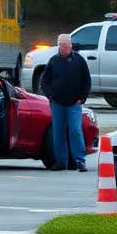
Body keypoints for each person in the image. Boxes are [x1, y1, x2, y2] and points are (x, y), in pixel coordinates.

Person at [40, 34, 91, 172]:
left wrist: (82, 98)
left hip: (74, 103)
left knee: (75, 130)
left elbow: (87, 80)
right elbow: (44, 81)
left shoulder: (79, 60)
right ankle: (61, 160)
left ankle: (80, 160)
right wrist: (50, 96)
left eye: (66, 45)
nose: (63, 48)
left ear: (71, 45)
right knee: (58, 132)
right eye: (61, 45)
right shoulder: (53, 61)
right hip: (57, 103)